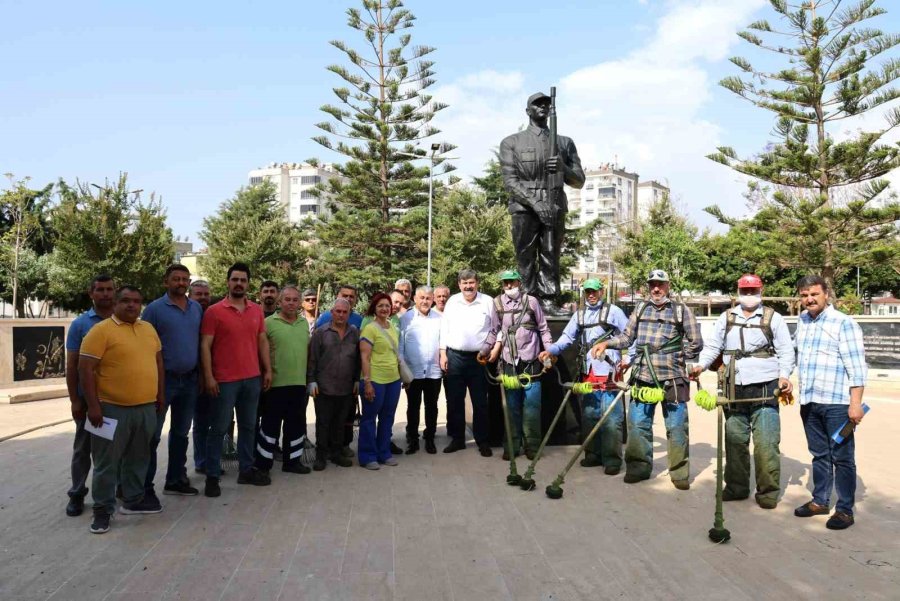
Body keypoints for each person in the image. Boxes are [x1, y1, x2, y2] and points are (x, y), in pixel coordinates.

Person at [591, 269, 703, 490]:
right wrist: (607, 343)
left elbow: (696, 342)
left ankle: (679, 473)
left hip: (673, 379)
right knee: (638, 425)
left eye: (660, 284)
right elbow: (626, 338)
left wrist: (679, 358)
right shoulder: (640, 308)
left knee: (677, 427)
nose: (656, 288)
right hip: (643, 376)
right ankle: (638, 468)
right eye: (652, 284)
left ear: (668, 285)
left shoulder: (681, 311)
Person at [690, 274, 795, 509]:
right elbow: (713, 347)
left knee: (766, 443)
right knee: (735, 441)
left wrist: (785, 376)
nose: (748, 295)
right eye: (744, 291)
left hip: (766, 388)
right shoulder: (726, 318)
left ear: (761, 290)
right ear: (738, 291)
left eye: (753, 290)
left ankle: (768, 492)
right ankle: (736, 488)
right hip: (733, 386)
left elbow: (786, 352)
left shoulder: (773, 318)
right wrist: (700, 366)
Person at [79, 286, 164, 534]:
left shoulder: (148, 329)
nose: (132, 306)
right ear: (116, 303)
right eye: (126, 301)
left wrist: (160, 395)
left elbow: (158, 362)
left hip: (146, 408)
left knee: (139, 457)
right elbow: (85, 370)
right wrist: (93, 406)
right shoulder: (101, 331)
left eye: (137, 301)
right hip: (110, 410)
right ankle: (102, 510)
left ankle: (133, 499)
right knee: (107, 462)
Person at [792, 275, 867, 530]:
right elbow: (795, 354)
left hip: (837, 404)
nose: (809, 299)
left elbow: (857, 368)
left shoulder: (843, 323)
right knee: (819, 455)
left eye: (814, 294)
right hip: (809, 401)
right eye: (804, 295)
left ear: (826, 294)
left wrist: (855, 404)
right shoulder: (802, 321)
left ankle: (845, 509)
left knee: (842, 457)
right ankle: (820, 501)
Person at [500, 91, 585, 309]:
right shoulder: (512, 142)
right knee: (525, 257)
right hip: (524, 207)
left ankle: (548, 300)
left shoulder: (564, 143)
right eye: (537, 104)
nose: (543, 107)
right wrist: (536, 204)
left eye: (547, 104)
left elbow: (579, 181)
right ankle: (528, 301)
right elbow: (510, 181)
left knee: (550, 255)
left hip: (554, 204)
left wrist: (563, 168)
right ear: (527, 110)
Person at [539, 278, 628, 472]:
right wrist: (551, 350)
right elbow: (567, 337)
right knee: (590, 414)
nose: (591, 295)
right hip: (588, 371)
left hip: (610, 369)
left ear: (601, 292)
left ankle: (612, 460)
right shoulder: (579, 315)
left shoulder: (614, 312)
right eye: (587, 291)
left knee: (611, 417)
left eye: (594, 291)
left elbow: (631, 336)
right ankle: (593, 454)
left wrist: (630, 359)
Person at [200, 262, 273, 497]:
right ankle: (212, 475)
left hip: (252, 378)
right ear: (228, 282)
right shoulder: (214, 311)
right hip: (224, 381)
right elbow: (205, 345)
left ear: (248, 284)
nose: (239, 283)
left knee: (249, 426)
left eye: (243, 280)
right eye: (235, 279)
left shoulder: (256, 311)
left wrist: (267, 370)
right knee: (219, 428)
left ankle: (246, 470)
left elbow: (262, 341)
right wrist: (209, 376)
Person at [140, 264, 204, 504]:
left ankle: (175, 480)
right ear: (166, 282)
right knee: (152, 436)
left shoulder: (196, 308)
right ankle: (144, 486)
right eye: (176, 279)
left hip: (189, 381)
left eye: (185, 279)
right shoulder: (154, 310)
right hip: (162, 382)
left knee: (180, 433)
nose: (181, 283)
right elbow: (145, 347)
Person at [482, 270, 553, 460]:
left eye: (511, 282)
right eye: (505, 283)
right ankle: (511, 446)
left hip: (531, 362)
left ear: (519, 283)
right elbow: (493, 330)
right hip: (508, 362)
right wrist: (484, 350)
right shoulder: (497, 303)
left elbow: (544, 329)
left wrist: (550, 352)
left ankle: (532, 447)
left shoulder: (532, 302)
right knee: (511, 407)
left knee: (532, 407)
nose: (508, 286)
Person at [64, 274, 115, 517]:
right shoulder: (81, 325)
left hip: (117, 399)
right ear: (91, 293)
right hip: (88, 400)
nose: (105, 294)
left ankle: (111, 492)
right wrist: (75, 400)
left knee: (114, 449)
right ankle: (77, 493)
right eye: (100, 290)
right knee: (83, 449)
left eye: (109, 289)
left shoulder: (125, 320)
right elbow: (72, 365)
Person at [255, 286, 311, 476]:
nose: (291, 303)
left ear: (299, 303)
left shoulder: (304, 324)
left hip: (298, 384)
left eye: (295, 300)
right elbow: (260, 352)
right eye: (287, 299)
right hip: (275, 385)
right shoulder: (268, 323)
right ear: (279, 302)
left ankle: (292, 462)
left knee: (295, 426)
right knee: (270, 426)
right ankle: (263, 465)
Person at [439, 269, 496, 456]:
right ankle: (458, 439)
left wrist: (493, 349)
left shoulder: (488, 302)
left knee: (480, 402)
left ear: (477, 283)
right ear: (459, 285)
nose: (468, 286)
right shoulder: (452, 302)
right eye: (465, 283)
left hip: (479, 359)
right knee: (455, 400)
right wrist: (443, 353)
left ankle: (482, 441)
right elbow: (444, 329)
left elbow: (497, 328)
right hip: (455, 357)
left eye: (471, 282)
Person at [308, 299, 360, 470]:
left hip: (345, 387)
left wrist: (356, 381)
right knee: (323, 423)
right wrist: (312, 381)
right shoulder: (321, 333)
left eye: (344, 312)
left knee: (340, 423)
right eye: (338, 311)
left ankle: (336, 454)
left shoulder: (354, 333)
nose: (341, 315)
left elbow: (358, 360)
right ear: (332, 312)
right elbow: (312, 359)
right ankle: (321, 456)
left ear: (348, 314)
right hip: (323, 387)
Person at [358, 293, 403, 470]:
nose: (384, 309)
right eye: (380, 306)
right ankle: (367, 456)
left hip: (393, 380)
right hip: (375, 380)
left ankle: (384, 452)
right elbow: (364, 357)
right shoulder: (370, 328)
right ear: (374, 309)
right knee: (369, 419)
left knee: (387, 417)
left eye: (387, 305)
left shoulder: (391, 326)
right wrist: (367, 382)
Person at [399, 286, 442, 454]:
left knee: (432, 406)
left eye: (428, 298)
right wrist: (402, 369)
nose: (425, 301)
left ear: (432, 300)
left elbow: (443, 341)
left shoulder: (439, 318)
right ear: (415, 299)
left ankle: (430, 438)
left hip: (433, 371)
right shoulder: (406, 318)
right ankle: (412, 439)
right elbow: (401, 345)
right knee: (413, 406)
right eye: (421, 298)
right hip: (412, 372)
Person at [189, 280, 214, 475]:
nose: (203, 298)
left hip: (215, 376)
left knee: (212, 420)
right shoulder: (189, 316)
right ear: (191, 295)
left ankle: (212, 458)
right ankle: (201, 461)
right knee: (199, 422)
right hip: (191, 377)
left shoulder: (213, 314)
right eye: (199, 294)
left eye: (206, 294)